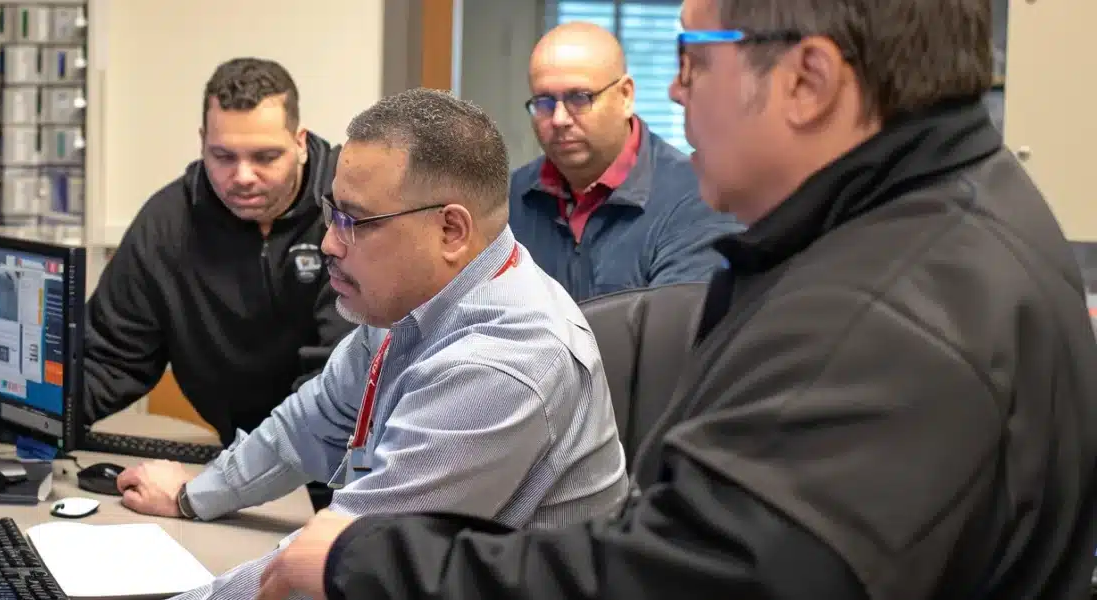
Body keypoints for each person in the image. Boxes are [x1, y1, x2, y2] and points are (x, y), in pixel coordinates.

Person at [256, 0, 1097, 598]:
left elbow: (680, 578)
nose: (674, 91)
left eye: (694, 57)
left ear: (808, 79)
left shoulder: (879, 321)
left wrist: (366, 561)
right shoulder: (963, 204)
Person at [119, 88, 628, 599]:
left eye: (355, 222)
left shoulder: (503, 364)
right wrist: (191, 497)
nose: (329, 243)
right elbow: (308, 424)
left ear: (451, 229)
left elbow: (342, 563)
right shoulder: (408, 300)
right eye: (331, 212)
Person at [81, 57, 352, 450]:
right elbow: (108, 361)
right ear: (202, 143)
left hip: (342, 461)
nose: (242, 176)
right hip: (237, 460)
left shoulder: (348, 214)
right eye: (223, 156)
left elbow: (341, 382)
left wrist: (233, 479)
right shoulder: (168, 223)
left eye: (265, 157)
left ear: (299, 143)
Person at [510, 22, 739, 300]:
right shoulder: (510, 200)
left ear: (626, 96)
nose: (559, 119)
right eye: (544, 102)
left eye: (580, 98)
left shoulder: (699, 196)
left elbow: (676, 334)